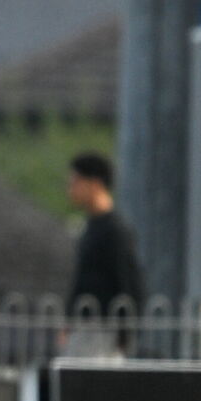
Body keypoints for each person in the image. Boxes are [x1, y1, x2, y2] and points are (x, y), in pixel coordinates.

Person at [64, 152, 145, 357]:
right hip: (86, 327)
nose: (70, 188)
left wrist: (125, 333)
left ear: (95, 184)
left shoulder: (115, 231)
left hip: (105, 331)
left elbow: (130, 282)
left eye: (76, 181)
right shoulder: (92, 226)